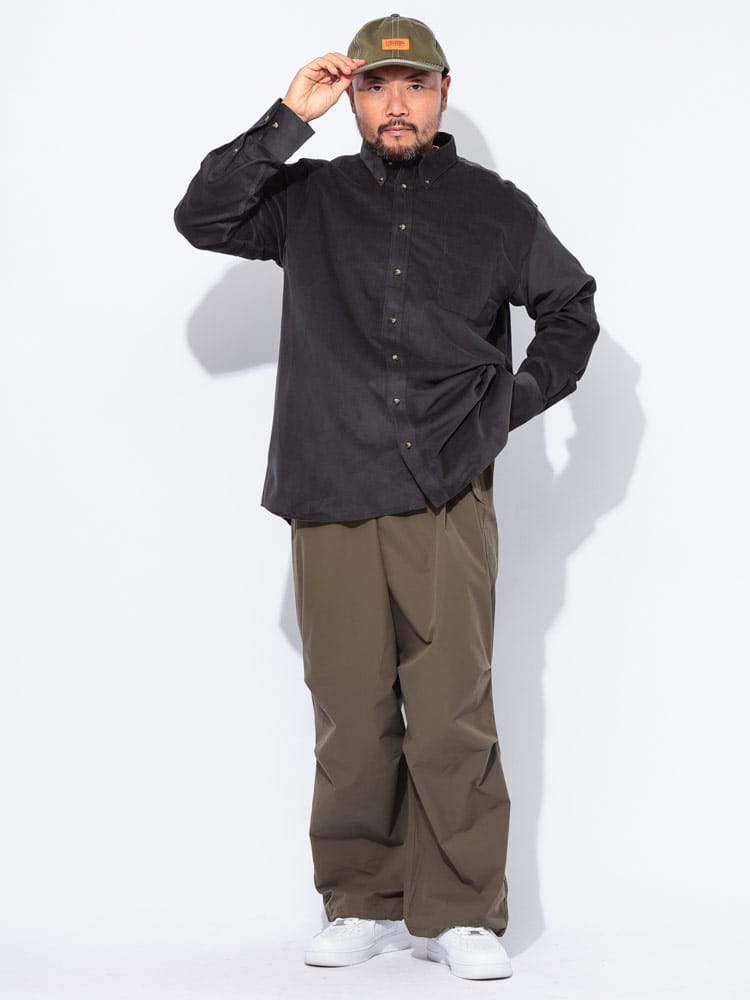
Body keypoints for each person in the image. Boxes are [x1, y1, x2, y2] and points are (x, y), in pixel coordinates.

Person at [173, 13, 599, 982]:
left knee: (451, 709)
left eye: (413, 84)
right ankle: (361, 897)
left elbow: (570, 308)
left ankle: (462, 910)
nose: (396, 103)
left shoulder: (496, 209)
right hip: (329, 486)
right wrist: (289, 116)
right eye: (375, 86)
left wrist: (507, 407)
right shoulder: (307, 199)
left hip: (446, 490)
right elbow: (203, 217)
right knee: (349, 709)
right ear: (354, 97)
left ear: (444, 92)